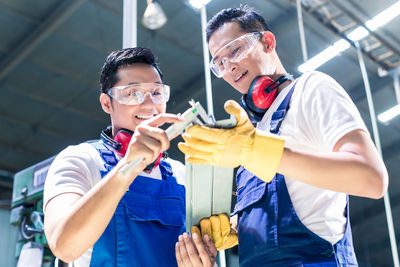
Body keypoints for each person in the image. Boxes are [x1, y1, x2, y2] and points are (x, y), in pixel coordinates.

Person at [176, 5, 388, 267]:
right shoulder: (249, 133)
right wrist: (237, 227)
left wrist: (258, 151)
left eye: (235, 50)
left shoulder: (310, 89)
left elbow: (371, 178)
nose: (229, 66)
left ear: (267, 41)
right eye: (219, 62)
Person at [44, 47, 189, 266]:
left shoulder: (182, 174)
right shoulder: (80, 160)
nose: (149, 104)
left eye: (157, 93)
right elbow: (64, 247)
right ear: (106, 103)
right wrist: (128, 167)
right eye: (133, 93)